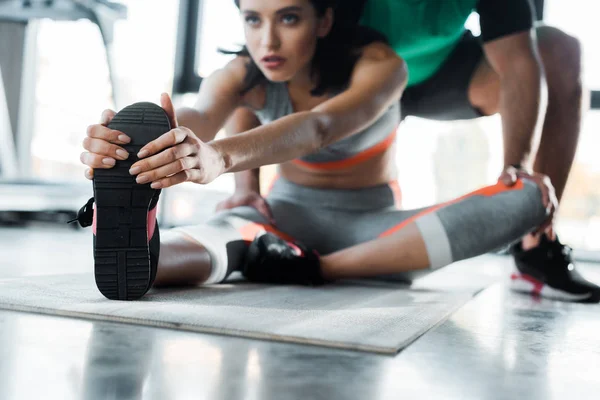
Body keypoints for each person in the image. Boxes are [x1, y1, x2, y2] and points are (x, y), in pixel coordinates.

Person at [76, 0, 553, 301]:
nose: (269, 41)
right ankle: (139, 246)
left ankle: (313, 267)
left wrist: (218, 158)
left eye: (288, 17)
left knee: (530, 198)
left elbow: (320, 126)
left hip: (378, 233)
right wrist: (138, 145)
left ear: (323, 19)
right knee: (224, 237)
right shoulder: (241, 75)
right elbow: (196, 121)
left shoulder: (382, 67)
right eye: (253, 19)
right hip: (282, 218)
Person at [222, 0, 600, 303]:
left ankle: (536, 248)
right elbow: (255, 67)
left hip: (437, 78)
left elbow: (517, 60)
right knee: (284, 49)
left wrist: (514, 171)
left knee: (559, 50)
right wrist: (245, 186)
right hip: (354, 78)